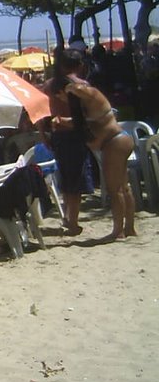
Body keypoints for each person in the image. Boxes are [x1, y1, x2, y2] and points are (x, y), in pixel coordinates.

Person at [49, 63, 136, 239]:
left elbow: (84, 90)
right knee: (124, 188)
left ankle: (118, 231)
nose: (62, 100)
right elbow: (85, 122)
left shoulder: (89, 95)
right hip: (119, 140)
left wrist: (70, 86)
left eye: (60, 96)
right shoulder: (86, 106)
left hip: (114, 142)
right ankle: (129, 229)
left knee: (115, 190)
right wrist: (61, 120)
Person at [41, 49, 95, 235]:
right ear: (80, 65)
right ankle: (73, 220)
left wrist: (43, 134)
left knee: (65, 176)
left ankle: (67, 217)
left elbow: (42, 113)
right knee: (77, 178)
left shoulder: (49, 85)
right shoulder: (81, 85)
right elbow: (88, 115)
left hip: (58, 135)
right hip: (76, 134)